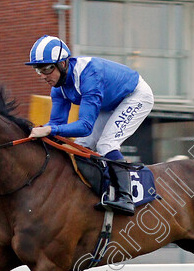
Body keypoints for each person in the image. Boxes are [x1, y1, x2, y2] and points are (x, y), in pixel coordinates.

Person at [26, 35, 154, 216]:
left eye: (47, 68)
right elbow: (57, 125)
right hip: (109, 104)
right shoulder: (58, 88)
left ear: (63, 63)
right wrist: (37, 133)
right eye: (39, 70)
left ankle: (126, 198)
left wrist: (49, 130)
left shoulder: (89, 75)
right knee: (80, 146)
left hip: (135, 96)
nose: (44, 76)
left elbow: (85, 126)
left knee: (106, 144)